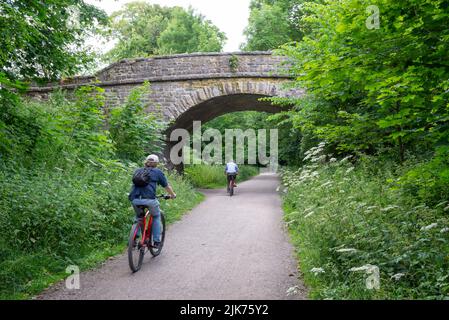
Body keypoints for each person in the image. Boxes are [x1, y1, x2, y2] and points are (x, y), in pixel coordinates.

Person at [128, 154, 176, 249]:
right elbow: (166, 186)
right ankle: (157, 241)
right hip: (150, 199)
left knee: (139, 217)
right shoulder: (157, 172)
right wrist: (173, 195)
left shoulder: (138, 171)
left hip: (135, 199)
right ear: (156, 164)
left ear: (146, 162)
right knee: (156, 216)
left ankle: (133, 240)